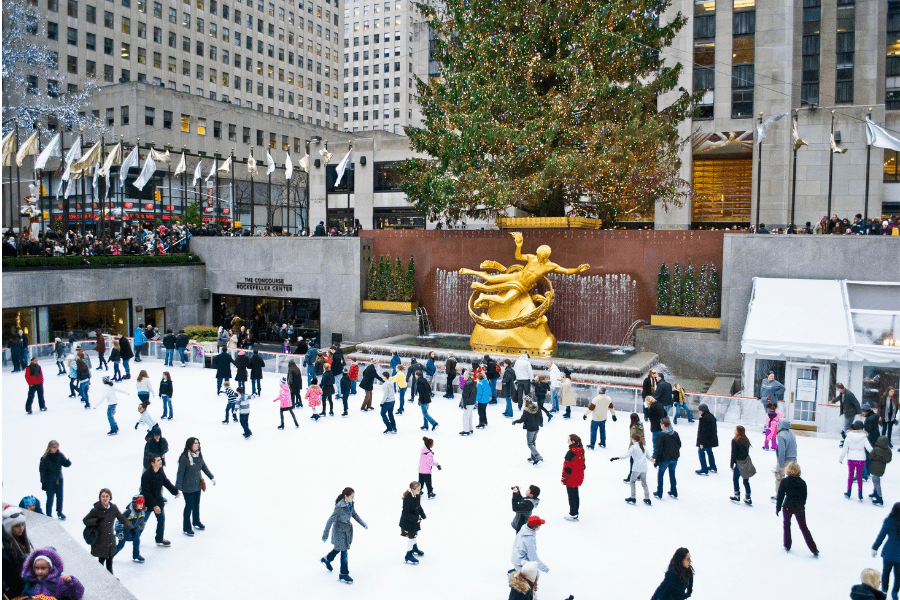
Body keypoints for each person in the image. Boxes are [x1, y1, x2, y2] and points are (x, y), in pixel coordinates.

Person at [321, 487, 367, 585]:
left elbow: (354, 515)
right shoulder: (339, 507)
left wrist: (363, 524)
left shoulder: (351, 504)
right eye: (351, 497)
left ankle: (326, 559)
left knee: (338, 549)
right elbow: (330, 520)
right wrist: (325, 535)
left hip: (346, 531)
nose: (353, 499)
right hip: (339, 531)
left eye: (353, 497)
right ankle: (343, 573)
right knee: (344, 551)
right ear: (346, 496)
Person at [82, 488, 133, 573]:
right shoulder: (95, 510)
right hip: (100, 540)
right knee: (101, 560)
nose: (105, 498)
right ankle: (100, 576)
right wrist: (96, 521)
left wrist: (130, 527)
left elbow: (122, 518)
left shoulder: (113, 508)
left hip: (110, 539)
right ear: (100, 498)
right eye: (103, 496)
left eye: (107, 496)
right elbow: (85, 520)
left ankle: (110, 575)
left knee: (110, 559)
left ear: (110, 497)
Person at [776, 462, 818, 556]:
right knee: (804, 527)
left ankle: (787, 545)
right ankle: (813, 548)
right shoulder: (803, 482)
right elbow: (804, 496)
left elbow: (780, 496)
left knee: (786, 525)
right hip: (799, 508)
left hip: (788, 507)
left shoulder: (785, 481)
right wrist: (802, 505)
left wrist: (778, 507)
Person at [175, 437, 215, 536]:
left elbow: (204, 467)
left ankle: (196, 522)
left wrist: (211, 477)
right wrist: (177, 488)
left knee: (196, 505)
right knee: (189, 506)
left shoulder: (199, 455)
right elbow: (180, 473)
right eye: (195, 443)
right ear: (190, 445)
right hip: (187, 487)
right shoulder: (185, 457)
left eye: (198, 443)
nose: (197, 445)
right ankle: (186, 527)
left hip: (197, 485)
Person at [140, 453, 181, 548]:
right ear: (152, 463)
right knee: (142, 522)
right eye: (158, 460)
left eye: (160, 460)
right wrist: (154, 506)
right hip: (147, 503)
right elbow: (146, 492)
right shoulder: (146, 475)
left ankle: (159, 539)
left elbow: (165, 482)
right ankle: (135, 538)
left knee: (161, 520)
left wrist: (175, 492)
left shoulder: (160, 471)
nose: (160, 461)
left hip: (158, 500)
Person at [20, 548, 84, 599]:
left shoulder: (58, 582)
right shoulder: (31, 580)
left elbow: (78, 593)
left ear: (50, 568)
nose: (39, 571)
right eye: (37, 568)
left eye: (43, 568)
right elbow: (25, 595)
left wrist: (71, 581)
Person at [613, 431, 653, 505]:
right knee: (644, 483)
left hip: (636, 468)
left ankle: (633, 497)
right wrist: (654, 462)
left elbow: (627, 455)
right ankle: (647, 498)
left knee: (632, 481)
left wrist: (618, 457)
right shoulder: (643, 446)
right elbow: (648, 456)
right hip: (644, 468)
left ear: (634, 439)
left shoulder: (633, 447)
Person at [3, 506, 34, 597]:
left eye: (22, 525)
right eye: (17, 526)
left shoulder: (19, 537)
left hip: (23, 581)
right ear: (9, 527)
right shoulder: (5, 548)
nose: (21, 528)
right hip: (14, 588)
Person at [873, 503, 900, 600]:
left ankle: (884, 591)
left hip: (889, 552)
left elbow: (881, 536)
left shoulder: (889, 521)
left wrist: (875, 547)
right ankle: (895, 593)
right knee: (898, 575)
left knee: (886, 572)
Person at [39, 440, 71, 520]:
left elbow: (64, 463)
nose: (55, 449)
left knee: (60, 497)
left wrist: (68, 462)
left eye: (56, 447)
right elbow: (42, 471)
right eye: (54, 447)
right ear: (49, 447)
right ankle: (48, 513)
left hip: (59, 480)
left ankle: (59, 511)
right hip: (49, 481)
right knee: (50, 498)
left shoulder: (59, 455)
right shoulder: (44, 458)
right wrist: (43, 482)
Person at [842, 421, 873, 501]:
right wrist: (875, 455)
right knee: (859, 477)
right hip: (861, 459)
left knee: (850, 476)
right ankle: (860, 494)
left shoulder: (848, 437)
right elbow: (869, 448)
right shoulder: (864, 437)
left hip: (851, 458)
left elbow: (844, 450)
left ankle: (849, 492)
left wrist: (841, 458)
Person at [653, 418, 681, 500]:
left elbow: (659, 450)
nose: (660, 426)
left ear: (664, 425)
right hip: (674, 458)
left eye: (661, 424)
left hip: (665, 459)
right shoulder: (675, 433)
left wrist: (657, 461)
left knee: (660, 475)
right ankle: (674, 491)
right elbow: (679, 444)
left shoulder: (661, 435)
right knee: (672, 474)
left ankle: (659, 492)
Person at [399, 481, 427, 564]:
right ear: (412, 489)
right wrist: (416, 519)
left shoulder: (417, 496)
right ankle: (408, 554)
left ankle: (414, 548)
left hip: (414, 521)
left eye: (419, 489)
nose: (419, 491)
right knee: (411, 538)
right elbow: (405, 514)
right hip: (407, 522)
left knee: (415, 534)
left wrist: (423, 515)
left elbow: (418, 506)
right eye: (418, 489)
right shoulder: (407, 499)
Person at [114, 495, 148, 564]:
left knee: (137, 541)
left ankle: (136, 555)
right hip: (125, 531)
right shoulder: (128, 511)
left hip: (135, 530)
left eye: (142, 503)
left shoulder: (142, 511)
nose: (141, 505)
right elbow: (119, 521)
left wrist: (141, 527)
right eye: (139, 503)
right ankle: (110, 556)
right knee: (121, 545)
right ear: (135, 504)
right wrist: (119, 532)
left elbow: (142, 521)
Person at [561, 433, 585, 521]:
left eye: (569, 440)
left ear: (573, 441)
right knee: (576, 495)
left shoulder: (571, 452)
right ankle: (576, 511)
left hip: (571, 478)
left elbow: (567, 468)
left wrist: (564, 478)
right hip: (578, 476)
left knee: (571, 495)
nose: (568, 441)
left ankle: (573, 513)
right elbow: (583, 465)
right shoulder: (581, 450)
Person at [513, 398, 544, 466]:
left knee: (530, 444)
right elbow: (540, 416)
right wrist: (541, 423)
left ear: (528, 402)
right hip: (536, 428)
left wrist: (515, 421)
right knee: (533, 442)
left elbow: (522, 419)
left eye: (525, 401)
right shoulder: (536, 407)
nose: (524, 403)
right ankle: (533, 457)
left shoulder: (527, 410)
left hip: (530, 429)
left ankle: (538, 457)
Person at [772, 419, 797, 502]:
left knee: (779, 477)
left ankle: (779, 496)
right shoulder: (791, 434)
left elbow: (782, 451)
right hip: (793, 459)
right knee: (792, 479)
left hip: (785, 460)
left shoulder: (781, 435)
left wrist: (780, 464)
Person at [729, 426, 754, 506]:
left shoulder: (735, 441)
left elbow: (733, 454)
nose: (734, 431)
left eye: (735, 430)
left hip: (739, 463)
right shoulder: (746, 440)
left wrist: (731, 464)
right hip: (746, 462)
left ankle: (737, 495)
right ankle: (748, 497)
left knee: (735, 478)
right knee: (746, 480)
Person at [694, 403, 718, 475]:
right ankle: (713, 467)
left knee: (701, 452)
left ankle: (704, 469)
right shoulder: (711, 416)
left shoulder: (705, 418)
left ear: (702, 410)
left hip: (706, 441)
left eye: (700, 410)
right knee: (709, 452)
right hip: (711, 440)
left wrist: (702, 443)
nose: (699, 412)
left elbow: (704, 432)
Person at [870, 435, 893, 506]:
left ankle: (879, 497)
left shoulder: (876, 449)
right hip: (882, 467)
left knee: (876, 481)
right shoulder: (889, 451)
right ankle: (875, 492)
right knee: (875, 479)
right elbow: (889, 460)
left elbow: (870, 456)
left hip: (874, 465)